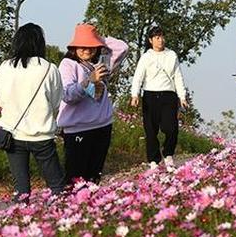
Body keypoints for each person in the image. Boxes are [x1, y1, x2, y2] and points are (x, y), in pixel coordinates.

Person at [0, 23, 65, 202]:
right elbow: (56, 102)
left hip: (13, 135)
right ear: (40, 43)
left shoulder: (5, 67)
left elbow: (2, 100)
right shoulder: (50, 68)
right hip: (42, 136)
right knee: (56, 185)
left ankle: (20, 224)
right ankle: (61, 222)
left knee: (21, 188)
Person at [57, 23, 128, 185]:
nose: (87, 50)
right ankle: (72, 209)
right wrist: (89, 80)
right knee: (75, 178)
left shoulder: (101, 64)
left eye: (91, 46)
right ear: (74, 47)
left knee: (94, 177)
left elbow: (122, 48)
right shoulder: (68, 65)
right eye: (82, 45)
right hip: (77, 129)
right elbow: (67, 95)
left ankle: (90, 209)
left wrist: (98, 37)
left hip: (102, 126)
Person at [130, 26, 188, 166]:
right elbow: (138, 76)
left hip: (168, 94)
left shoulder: (171, 55)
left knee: (171, 127)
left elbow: (178, 76)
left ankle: (168, 154)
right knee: (150, 129)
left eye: (162, 37)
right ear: (151, 40)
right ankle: (154, 160)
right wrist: (135, 94)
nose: (160, 40)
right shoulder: (146, 57)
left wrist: (182, 96)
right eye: (157, 37)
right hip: (150, 94)